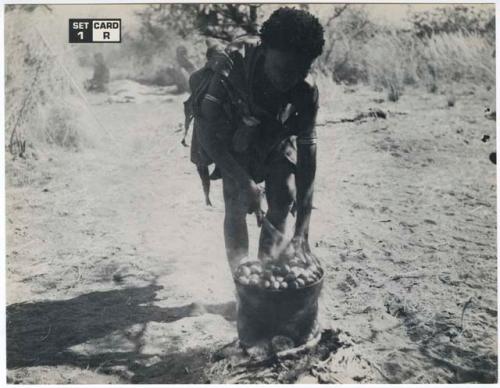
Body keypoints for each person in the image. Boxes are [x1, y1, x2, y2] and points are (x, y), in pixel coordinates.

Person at [191, 7, 325, 272]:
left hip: (274, 135)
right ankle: (241, 279)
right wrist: (244, 181)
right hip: (232, 136)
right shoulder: (232, 66)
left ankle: (266, 271)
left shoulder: (306, 90)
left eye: (299, 71)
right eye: (282, 69)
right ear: (264, 51)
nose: (288, 80)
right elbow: (206, 132)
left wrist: (302, 233)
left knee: (284, 196)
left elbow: (307, 154)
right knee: (236, 199)